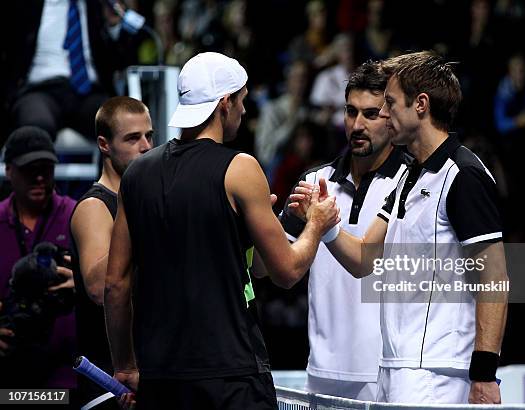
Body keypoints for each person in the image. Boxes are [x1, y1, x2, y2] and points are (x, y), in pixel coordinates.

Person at [103, 52, 339, 409]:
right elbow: (287, 271)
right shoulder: (240, 168)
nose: (244, 112)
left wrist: (124, 365)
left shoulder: (135, 174)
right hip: (230, 376)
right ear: (225, 103)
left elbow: (115, 284)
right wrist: (317, 225)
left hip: (161, 377)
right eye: (242, 101)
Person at [290, 51, 508, 404]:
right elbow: (364, 258)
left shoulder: (462, 175)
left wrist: (484, 374)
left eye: (390, 103)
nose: (385, 113)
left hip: (438, 373)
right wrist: (323, 224)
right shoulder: (409, 175)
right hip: (394, 369)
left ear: (420, 105)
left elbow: (494, 279)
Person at [278, 60, 409, 400]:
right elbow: (272, 268)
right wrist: (257, 222)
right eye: (351, 112)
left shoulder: (414, 182)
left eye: (370, 114)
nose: (357, 125)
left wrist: (324, 225)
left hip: (388, 372)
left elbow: (366, 259)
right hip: (321, 370)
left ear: (393, 118)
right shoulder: (314, 181)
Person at [70, 96, 153, 408]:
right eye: (132, 138)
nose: (145, 146)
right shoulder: (94, 206)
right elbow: (100, 287)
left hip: (147, 369)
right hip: (108, 381)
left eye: (149, 136)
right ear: (104, 145)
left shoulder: (143, 201)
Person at [0, 126, 76, 388]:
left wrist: (85, 282)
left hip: (67, 371)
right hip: (9, 370)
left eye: (46, 168)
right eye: (29, 169)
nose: (40, 177)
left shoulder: (77, 217)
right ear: (9, 170)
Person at [2, 0, 139, 144]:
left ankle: (112, 167)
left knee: (122, 124)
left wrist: (113, 26)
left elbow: (121, 61)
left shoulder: (97, 5)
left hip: (88, 93)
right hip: (40, 90)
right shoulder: (24, 6)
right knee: (36, 127)